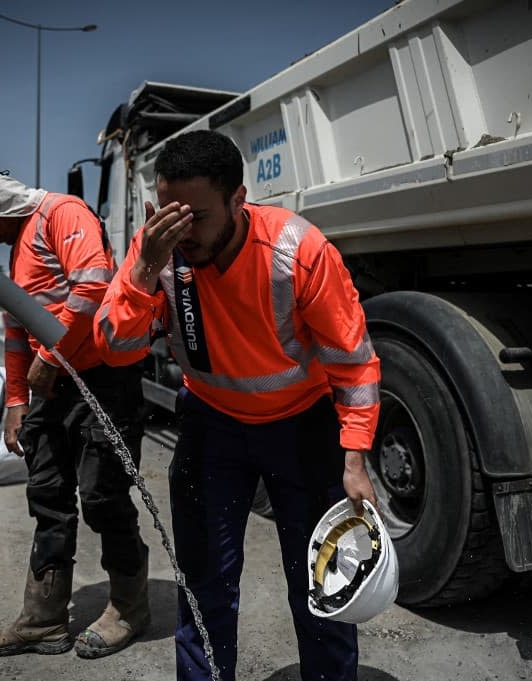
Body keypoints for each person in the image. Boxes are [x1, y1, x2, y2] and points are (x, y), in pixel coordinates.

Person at [93, 130, 381, 680]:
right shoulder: (158, 252)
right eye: (170, 214)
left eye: (197, 216)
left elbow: (354, 363)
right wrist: (143, 271)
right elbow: (115, 348)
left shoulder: (298, 251)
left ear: (238, 199)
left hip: (302, 427)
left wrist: (354, 456)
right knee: (204, 587)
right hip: (212, 426)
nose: (183, 232)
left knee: (322, 584)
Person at [0, 155, 150, 659]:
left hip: (102, 381)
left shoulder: (61, 215)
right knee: (48, 498)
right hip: (53, 387)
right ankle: (44, 619)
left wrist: (48, 360)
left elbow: (92, 286)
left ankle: (130, 606)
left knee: (102, 497)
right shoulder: (17, 253)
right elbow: (15, 331)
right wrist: (14, 402)